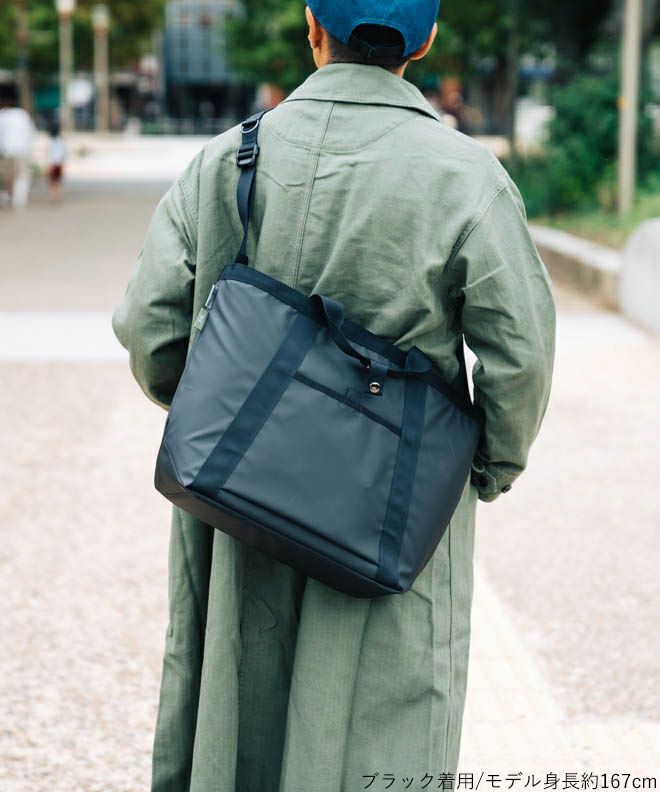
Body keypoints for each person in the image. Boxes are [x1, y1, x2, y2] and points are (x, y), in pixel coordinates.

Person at [112, 2, 557, 790]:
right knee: (384, 730)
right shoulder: (468, 178)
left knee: (234, 712)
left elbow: (151, 329)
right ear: (426, 40)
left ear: (313, 25)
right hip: (392, 519)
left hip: (236, 505)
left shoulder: (226, 160)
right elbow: (519, 358)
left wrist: (225, 409)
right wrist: (482, 469)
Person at [0, 100, 36, 209]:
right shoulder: (23, 115)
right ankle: (19, 199)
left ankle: (9, 197)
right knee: (22, 175)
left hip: (7, 150)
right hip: (22, 150)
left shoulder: (3, 115)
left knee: (8, 176)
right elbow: (31, 133)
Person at [47, 121, 66, 202]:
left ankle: (54, 196)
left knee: (52, 181)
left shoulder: (51, 142)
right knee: (58, 181)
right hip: (59, 163)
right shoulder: (61, 142)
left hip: (53, 163)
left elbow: (49, 155)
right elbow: (64, 154)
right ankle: (57, 196)